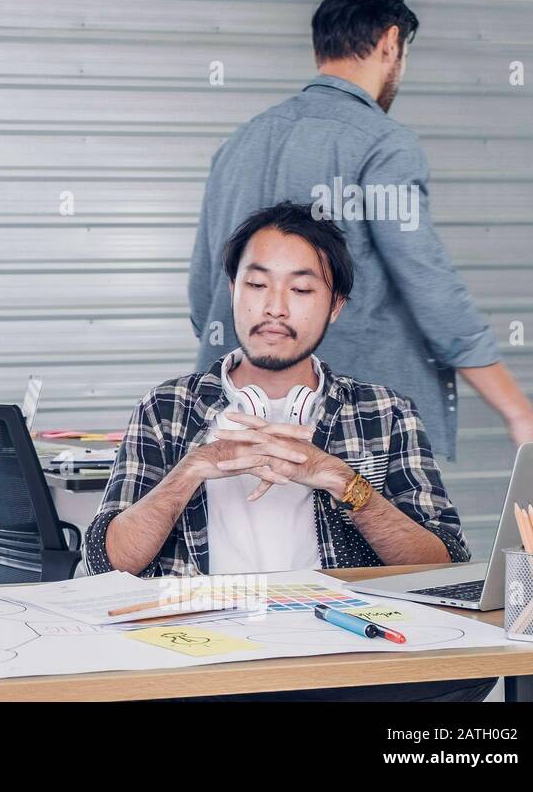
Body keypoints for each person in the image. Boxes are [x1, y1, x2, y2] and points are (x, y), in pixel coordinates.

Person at [91, 202, 493, 702]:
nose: (275, 307)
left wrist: (346, 484)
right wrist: (191, 471)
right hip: (203, 655)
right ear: (233, 290)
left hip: (341, 647)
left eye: (301, 289)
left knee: (468, 678)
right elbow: (107, 564)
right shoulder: (167, 406)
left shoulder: (384, 411)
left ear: (335, 305)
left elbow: (443, 564)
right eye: (256, 285)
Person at [188, 0, 533, 462]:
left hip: (237, 424)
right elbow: (430, 287)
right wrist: (519, 414)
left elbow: (204, 299)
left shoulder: (237, 146)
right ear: (390, 43)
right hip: (354, 433)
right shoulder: (382, 145)